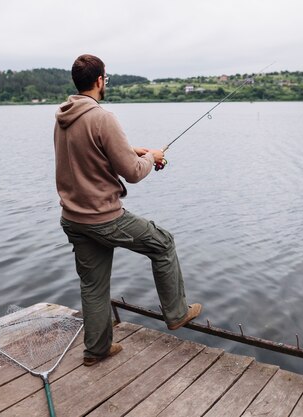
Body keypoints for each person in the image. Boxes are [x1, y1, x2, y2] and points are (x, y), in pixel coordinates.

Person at [54, 54, 202, 366]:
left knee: (93, 286)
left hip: (73, 218)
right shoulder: (102, 117)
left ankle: (97, 349)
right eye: (105, 78)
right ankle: (176, 313)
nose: (105, 82)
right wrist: (152, 157)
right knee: (163, 243)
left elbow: (90, 151)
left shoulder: (62, 116)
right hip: (102, 217)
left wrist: (136, 150)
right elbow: (133, 172)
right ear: (99, 81)